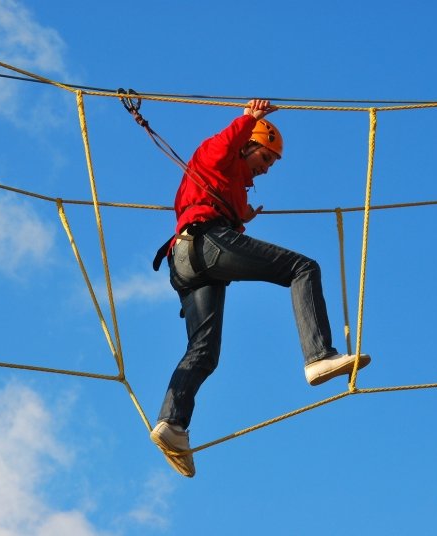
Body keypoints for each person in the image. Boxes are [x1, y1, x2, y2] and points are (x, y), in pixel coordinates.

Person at [150, 99, 371, 477]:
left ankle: (172, 424)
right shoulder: (217, 156)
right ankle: (318, 356)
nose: (266, 169)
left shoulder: (234, 184)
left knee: (203, 352)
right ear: (249, 145)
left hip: (186, 261)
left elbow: (224, 198)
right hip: (203, 243)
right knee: (303, 267)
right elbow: (221, 146)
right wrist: (249, 118)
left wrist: (242, 216)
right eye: (265, 159)